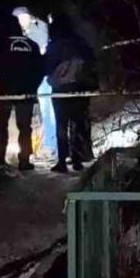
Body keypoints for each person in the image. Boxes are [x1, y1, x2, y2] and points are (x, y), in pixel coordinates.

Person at [0, 18, 44, 170]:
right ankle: (24, 160)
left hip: (6, 90)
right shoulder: (32, 45)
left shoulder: (2, 44)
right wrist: (33, 86)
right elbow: (40, 68)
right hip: (27, 91)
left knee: (2, 122)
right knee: (25, 126)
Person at [46, 17, 97, 173]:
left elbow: (47, 67)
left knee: (61, 125)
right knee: (78, 124)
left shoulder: (54, 45)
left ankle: (62, 161)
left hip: (60, 90)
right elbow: (91, 63)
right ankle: (77, 160)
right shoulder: (80, 43)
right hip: (79, 89)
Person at [11, 7, 58, 159]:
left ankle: (51, 146)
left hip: (44, 78)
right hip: (36, 77)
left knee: (48, 111)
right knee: (43, 112)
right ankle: (48, 144)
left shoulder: (37, 31)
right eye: (18, 19)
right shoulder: (27, 33)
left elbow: (39, 55)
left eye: (22, 18)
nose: (20, 22)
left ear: (30, 17)